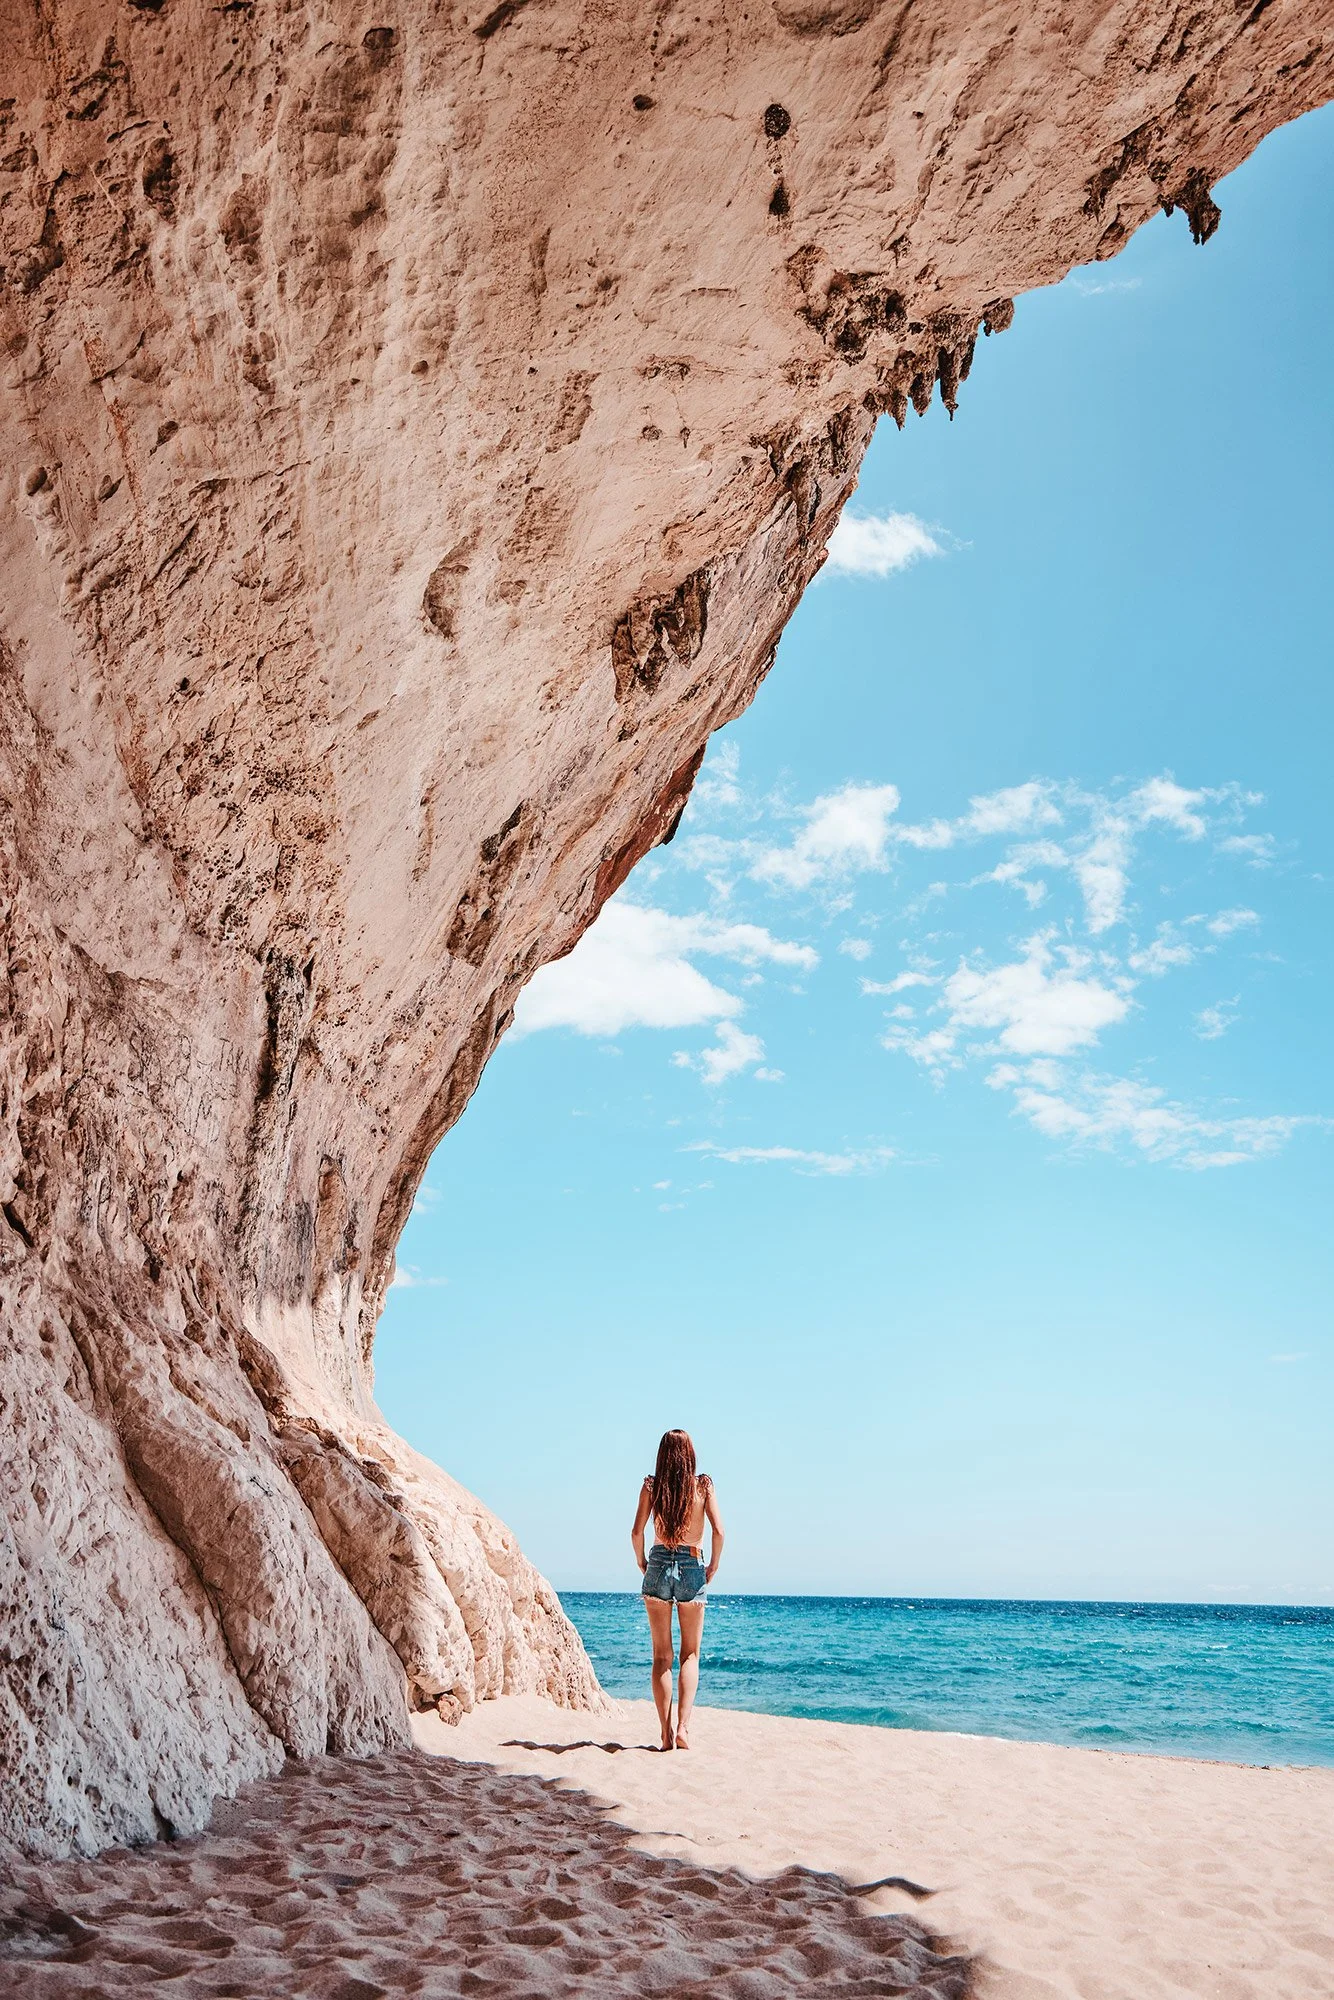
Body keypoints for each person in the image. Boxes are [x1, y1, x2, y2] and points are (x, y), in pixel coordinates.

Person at [632, 1429, 724, 1751]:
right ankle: (684, 1727)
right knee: (690, 1654)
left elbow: (636, 1532)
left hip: (658, 1561)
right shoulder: (703, 1485)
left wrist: (643, 1561)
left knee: (661, 1656)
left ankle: (664, 1733)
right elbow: (720, 1532)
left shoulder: (652, 1486)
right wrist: (711, 1566)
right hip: (692, 1563)